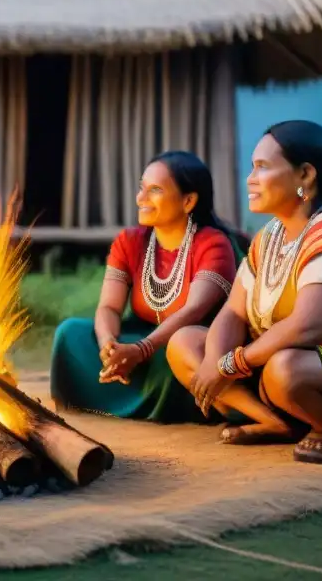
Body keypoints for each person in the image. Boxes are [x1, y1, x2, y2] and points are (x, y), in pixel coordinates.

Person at [167, 121, 322, 463]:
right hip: (290, 365)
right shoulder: (270, 236)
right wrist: (215, 360)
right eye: (252, 166)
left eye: (263, 167)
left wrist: (228, 366)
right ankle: (274, 423)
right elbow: (233, 312)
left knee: (284, 370)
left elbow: (308, 326)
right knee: (185, 343)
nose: (250, 178)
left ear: (305, 175)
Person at [50, 151, 245, 422]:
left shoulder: (213, 243)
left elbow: (194, 310)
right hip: (136, 337)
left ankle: (178, 403)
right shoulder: (129, 241)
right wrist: (109, 345)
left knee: (174, 356)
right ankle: (113, 376)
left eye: (154, 190)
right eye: (141, 188)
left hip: (186, 342)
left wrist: (141, 350)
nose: (141, 198)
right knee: (69, 333)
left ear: (188, 201)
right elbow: (109, 307)